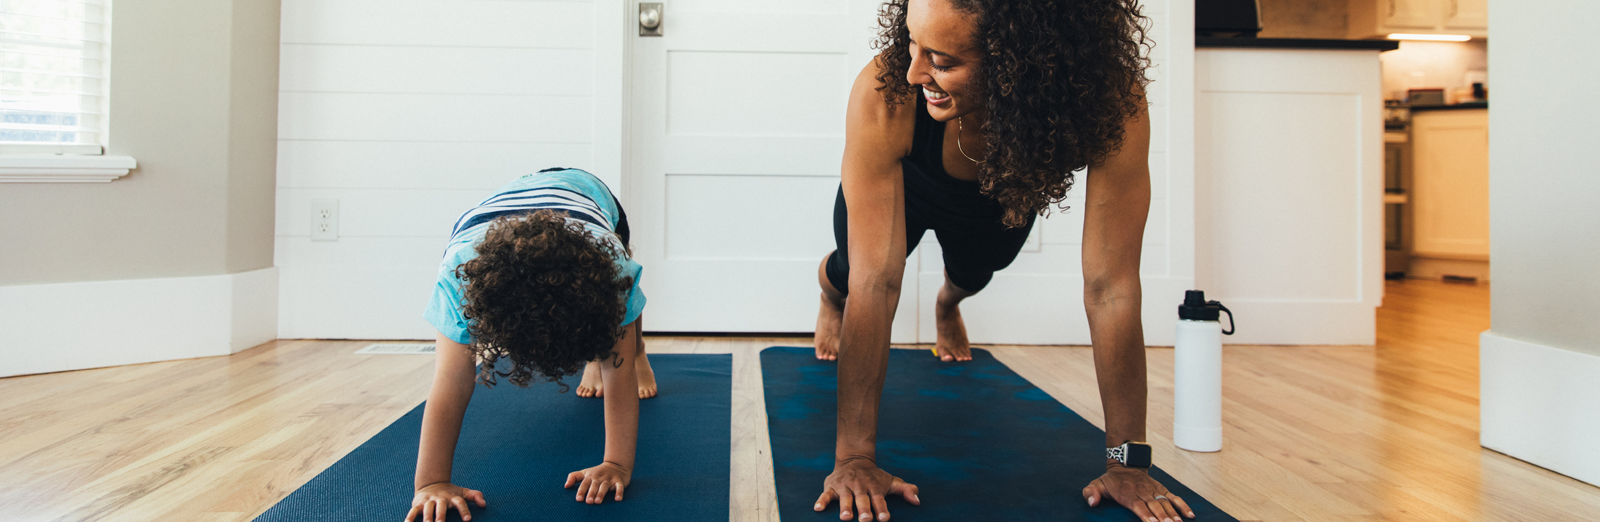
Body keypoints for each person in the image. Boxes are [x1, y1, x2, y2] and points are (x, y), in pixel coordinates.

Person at [811, 0, 1195, 521]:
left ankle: (950, 304)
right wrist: (854, 457)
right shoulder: (887, 91)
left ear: (1021, 60)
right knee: (853, 273)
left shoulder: (1109, 99)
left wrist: (1127, 462)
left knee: (975, 274)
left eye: (942, 61)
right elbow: (878, 282)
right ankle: (827, 293)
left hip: (997, 191)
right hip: (905, 176)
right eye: (911, 42)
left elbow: (1112, 286)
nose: (912, 70)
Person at [406, 168, 656, 522]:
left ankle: (642, 352)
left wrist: (616, 463)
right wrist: (431, 482)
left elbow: (618, 370)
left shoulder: (613, 268)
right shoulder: (459, 280)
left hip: (590, 195)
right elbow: (451, 379)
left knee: (622, 331)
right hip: (496, 215)